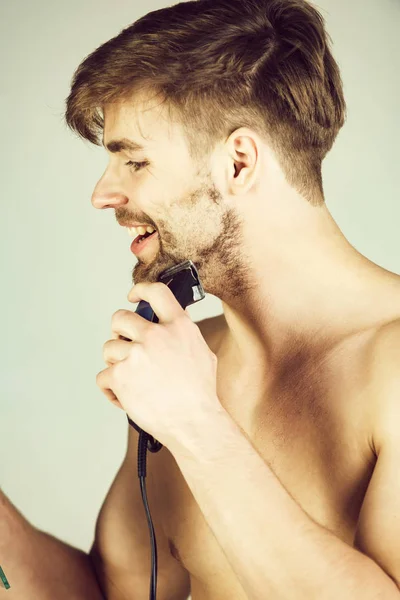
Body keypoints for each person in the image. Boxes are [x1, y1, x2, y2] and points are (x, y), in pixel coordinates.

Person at [2, 0, 399, 598]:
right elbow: (114, 593)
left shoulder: (390, 366)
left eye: (135, 161)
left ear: (237, 162)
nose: (103, 194)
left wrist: (195, 422)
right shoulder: (187, 362)